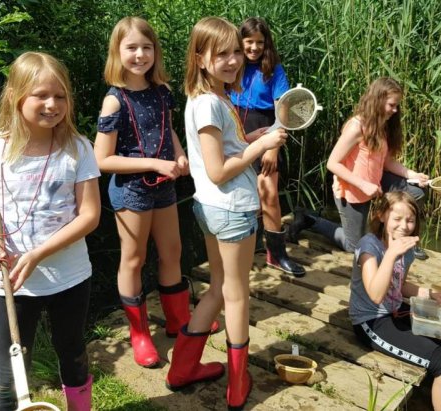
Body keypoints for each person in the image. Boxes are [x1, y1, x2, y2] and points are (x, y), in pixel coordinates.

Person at [0, 52, 100, 411]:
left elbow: (89, 215)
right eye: (41, 95)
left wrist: (38, 254)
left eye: (60, 96)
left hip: (68, 277)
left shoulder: (78, 148)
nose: (52, 104)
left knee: (72, 353)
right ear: (15, 95)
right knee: (10, 371)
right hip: (10, 282)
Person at [165, 17, 287, 410]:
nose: (234, 60)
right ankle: (238, 383)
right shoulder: (208, 105)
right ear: (200, 58)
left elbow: (225, 150)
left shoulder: (213, 99)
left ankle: (181, 369)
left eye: (237, 51)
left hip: (211, 208)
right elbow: (220, 170)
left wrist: (257, 137)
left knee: (218, 288)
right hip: (231, 210)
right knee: (236, 296)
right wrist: (259, 147)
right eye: (223, 54)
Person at [94, 16, 216, 369]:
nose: (140, 54)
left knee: (172, 251)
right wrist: (154, 163)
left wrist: (179, 155)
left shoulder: (161, 91)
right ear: (118, 52)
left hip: (164, 188)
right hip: (132, 193)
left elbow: (169, 130)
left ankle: (178, 321)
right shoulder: (114, 101)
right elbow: (103, 160)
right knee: (134, 259)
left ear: (155, 52)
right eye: (131, 47)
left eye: (147, 47)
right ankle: (140, 334)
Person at [350, 192, 441, 411]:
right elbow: (376, 294)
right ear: (381, 216)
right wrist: (391, 254)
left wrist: (427, 292)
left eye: (410, 220)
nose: (404, 226)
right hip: (372, 322)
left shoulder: (406, 249)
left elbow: (399, 285)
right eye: (397, 219)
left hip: (396, 310)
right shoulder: (369, 247)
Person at [287, 77, 430, 259]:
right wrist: (363, 185)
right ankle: (309, 219)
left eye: (397, 106)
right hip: (353, 189)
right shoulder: (356, 127)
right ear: (377, 100)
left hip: (376, 180)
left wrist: (412, 174)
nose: (395, 110)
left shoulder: (384, 124)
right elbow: (332, 163)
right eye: (392, 105)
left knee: (416, 192)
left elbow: (387, 162)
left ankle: (405, 241)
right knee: (353, 246)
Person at [229, 17, 305, 277]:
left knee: (269, 195)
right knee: (240, 196)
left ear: (266, 44)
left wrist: (273, 147)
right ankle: (243, 251)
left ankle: (276, 254)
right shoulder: (232, 65)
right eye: (249, 41)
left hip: (266, 131)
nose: (254, 47)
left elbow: (282, 112)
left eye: (259, 42)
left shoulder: (274, 70)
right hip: (236, 132)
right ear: (240, 41)